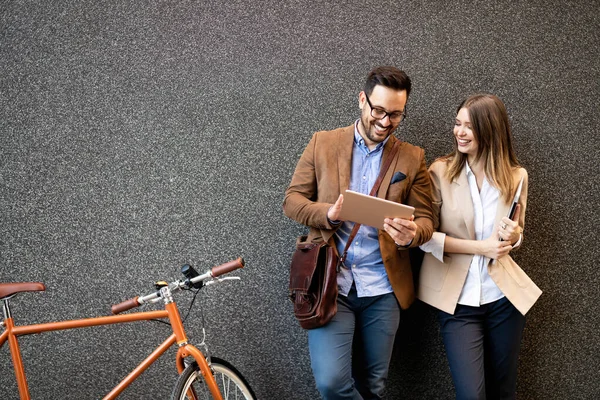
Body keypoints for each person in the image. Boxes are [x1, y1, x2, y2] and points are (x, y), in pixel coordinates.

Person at [283, 66, 434, 399]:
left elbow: (427, 219)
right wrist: (328, 214)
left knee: (374, 385)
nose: (384, 122)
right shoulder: (323, 143)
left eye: (395, 115)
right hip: (330, 284)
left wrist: (411, 235)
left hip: (383, 288)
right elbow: (292, 201)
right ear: (362, 101)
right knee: (332, 383)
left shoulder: (412, 158)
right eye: (378, 111)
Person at [418, 94, 542, 400]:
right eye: (457, 123)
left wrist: (513, 237)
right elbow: (424, 238)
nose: (459, 131)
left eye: (469, 126)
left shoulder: (516, 177)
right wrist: (480, 247)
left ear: (490, 130)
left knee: (504, 391)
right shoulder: (440, 172)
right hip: (458, 302)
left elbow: (517, 233)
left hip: (504, 299)